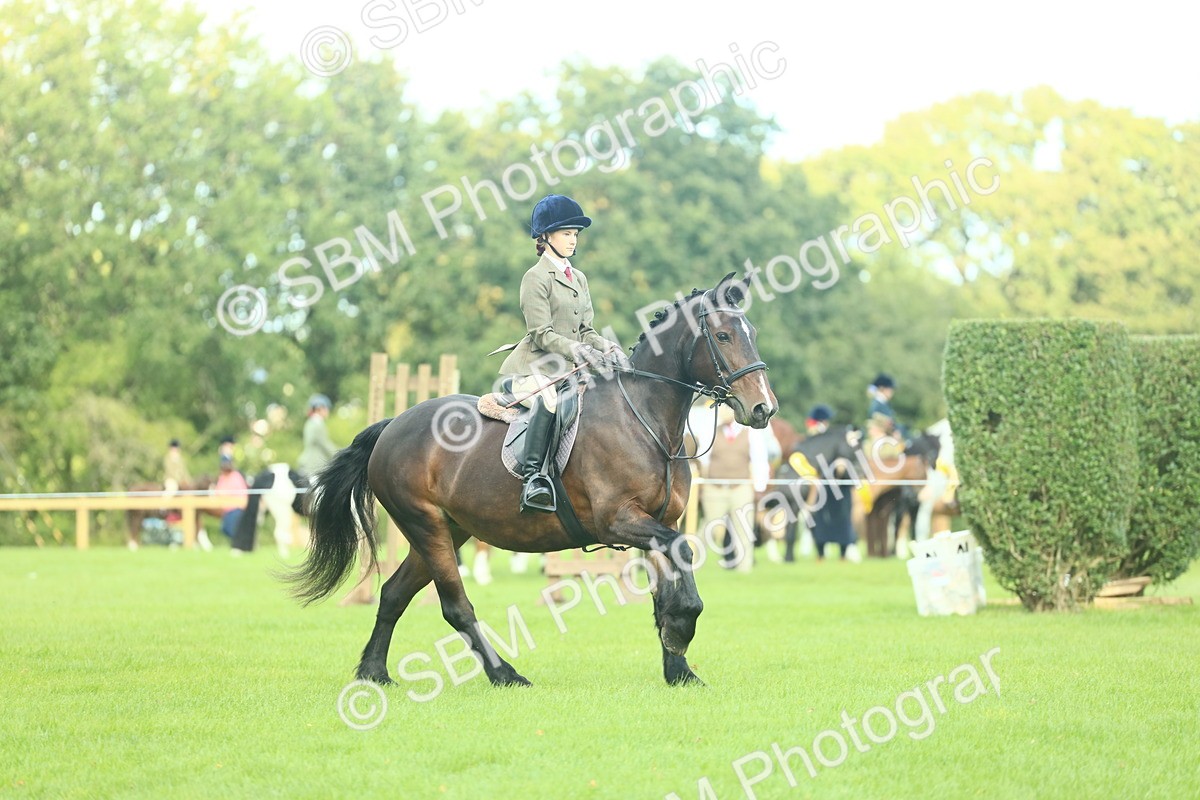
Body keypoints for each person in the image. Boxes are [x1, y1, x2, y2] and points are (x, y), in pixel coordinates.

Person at [491, 194, 625, 513]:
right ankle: (534, 479)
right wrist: (577, 348)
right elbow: (542, 333)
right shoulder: (535, 278)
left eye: (575, 235)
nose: (572, 241)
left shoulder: (578, 278)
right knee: (548, 400)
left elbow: (586, 329)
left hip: (568, 371)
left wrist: (606, 345)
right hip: (533, 369)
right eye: (566, 234)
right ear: (546, 237)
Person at [697, 404, 774, 571]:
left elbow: (758, 460)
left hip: (741, 487)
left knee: (744, 529)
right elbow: (704, 461)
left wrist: (758, 486)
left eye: (726, 409)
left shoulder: (750, 433)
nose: (723, 413)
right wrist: (704, 484)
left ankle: (744, 568)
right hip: (715, 488)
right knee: (708, 528)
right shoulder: (711, 431)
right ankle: (693, 564)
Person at [298, 393, 339, 478]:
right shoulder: (317, 424)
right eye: (326, 408)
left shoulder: (310, 422)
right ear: (319, 409)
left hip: (309, 463)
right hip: (315, 465)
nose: (328, 411)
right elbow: (325, 445)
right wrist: (341, 454)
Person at [214, 454, 248, 542]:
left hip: (237, 508)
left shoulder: (236, 476)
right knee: (225, 529)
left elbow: (241, 493)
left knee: (232, 529)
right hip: (226, 509)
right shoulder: (222, 478)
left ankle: (239, 544)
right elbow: (218, 492)